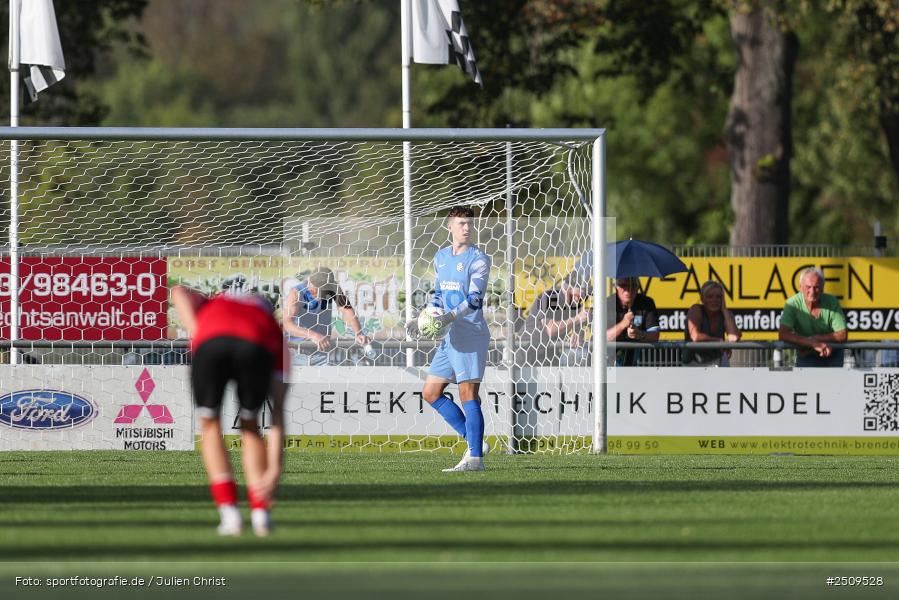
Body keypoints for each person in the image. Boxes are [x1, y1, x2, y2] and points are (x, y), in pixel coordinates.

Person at [170, 284, 288, 537]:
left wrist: (196, 332)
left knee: (210, 424)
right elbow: (278, 414)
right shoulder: (272, 326)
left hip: (210, 343)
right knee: (250, 424)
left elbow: (177, 291)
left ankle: (230, 516)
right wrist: (275, 470)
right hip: (256, 346)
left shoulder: (213, 303)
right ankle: (260, 515)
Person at [406, 206, 491, 472]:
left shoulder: (479, 259)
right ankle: (473, 441)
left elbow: (475, 300)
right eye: (461, 223)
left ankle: (475, 459)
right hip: (449, 337)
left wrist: (449, 318)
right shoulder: (441, 257)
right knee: (430, 393)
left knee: (468, 393)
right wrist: (422, 318)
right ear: (450, 226)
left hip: (470, 335)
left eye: (469, 223)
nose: (466, 228)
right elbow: (439, 296)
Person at [282, 267, 370, 365]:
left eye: (317, 292)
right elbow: (287, 324)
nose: (312, 291)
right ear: (309, 280)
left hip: (322, 352)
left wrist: (358, 333)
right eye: (312, 290)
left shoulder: (333, 288)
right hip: (296, 351)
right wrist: (313, 335)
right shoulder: (297, 292)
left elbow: (346, 309)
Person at [778, 267, 848, 367]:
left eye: (816, 287)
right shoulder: (792, 304)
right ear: (800, 287)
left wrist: (816, 339)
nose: (812, 291)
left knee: (834, 383)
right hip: (806, 355)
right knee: (804, 383)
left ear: (823, 287)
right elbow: (783, 334)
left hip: (832, 354)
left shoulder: (832, 302)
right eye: (808, 287)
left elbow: (843, 334)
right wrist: (812, 343)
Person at [520, 276, 590, 366]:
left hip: (550, 354)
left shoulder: (576, 305)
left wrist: (577, 334)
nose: (582, 297)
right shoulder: (551, 296)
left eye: (584, 294)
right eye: (579, 293)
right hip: (528, 351)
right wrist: (577, 318)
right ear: (568, 288)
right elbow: (551, 329)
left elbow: (580, 329)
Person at [683, 280, 742, 366]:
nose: (714, 300)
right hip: (694, 363)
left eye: (719, 297)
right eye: (710, 296)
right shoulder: (696, 309)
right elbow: (695, 337)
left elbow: (734, 338)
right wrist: (718, 341)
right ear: (702, 299)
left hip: (718, 361)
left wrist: (725, 310)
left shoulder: (726, 314)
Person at [606, 277, 660, 366]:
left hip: (639, 363)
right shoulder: (608, 303)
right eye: (623, 286)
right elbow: (603, 337)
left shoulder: (647, 303)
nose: (627, 290)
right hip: (611, 363)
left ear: (637, 288)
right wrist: (622, 324)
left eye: (632, 286)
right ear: (616, 287)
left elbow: (655, 335)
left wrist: (639, 334)